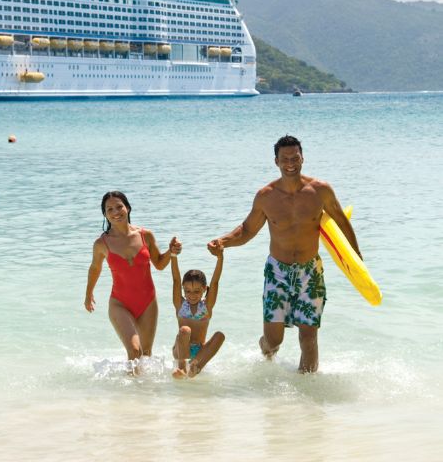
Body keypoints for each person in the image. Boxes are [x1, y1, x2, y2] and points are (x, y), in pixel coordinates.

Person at [207, 135, 362, 373]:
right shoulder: (266, 196)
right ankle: (265, 352)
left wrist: (357, 262)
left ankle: (306, 398)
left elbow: (341, 221)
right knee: (273, 342)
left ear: (303, 158)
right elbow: (247, 230)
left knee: (308, 339)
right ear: (276, 162)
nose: (290, 163)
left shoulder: (320, 191)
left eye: (295, 157)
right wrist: (222, 242)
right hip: (277, 271)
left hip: (310, 271)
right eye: (285, 159)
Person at [84, 191, 181, 366]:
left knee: (146, 355)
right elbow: (94, 268)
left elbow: (159, 263)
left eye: (119, 206)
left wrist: (171, 252)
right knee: (134, 351)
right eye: (109, 209)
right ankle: (129, 389)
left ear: (128, 208)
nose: (116, 212)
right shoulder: (101, 244)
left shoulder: (145, 235)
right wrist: (88, 294)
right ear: (105, 215)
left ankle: (139, 392)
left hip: (148, 302)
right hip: (119, 303)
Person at [171, 243, 225, 379]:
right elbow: (176, 280)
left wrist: (220, 257)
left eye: (197, 291)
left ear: (204, 290)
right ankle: (182, 367)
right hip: (181, 349)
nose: (192, 295)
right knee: (185, 330)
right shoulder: (180, 304)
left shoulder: (206, 307)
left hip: (199, 351)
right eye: (187, 291)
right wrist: (173, 256)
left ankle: (196, 367)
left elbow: (215, 282)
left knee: (220, 335)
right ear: (183, 289)